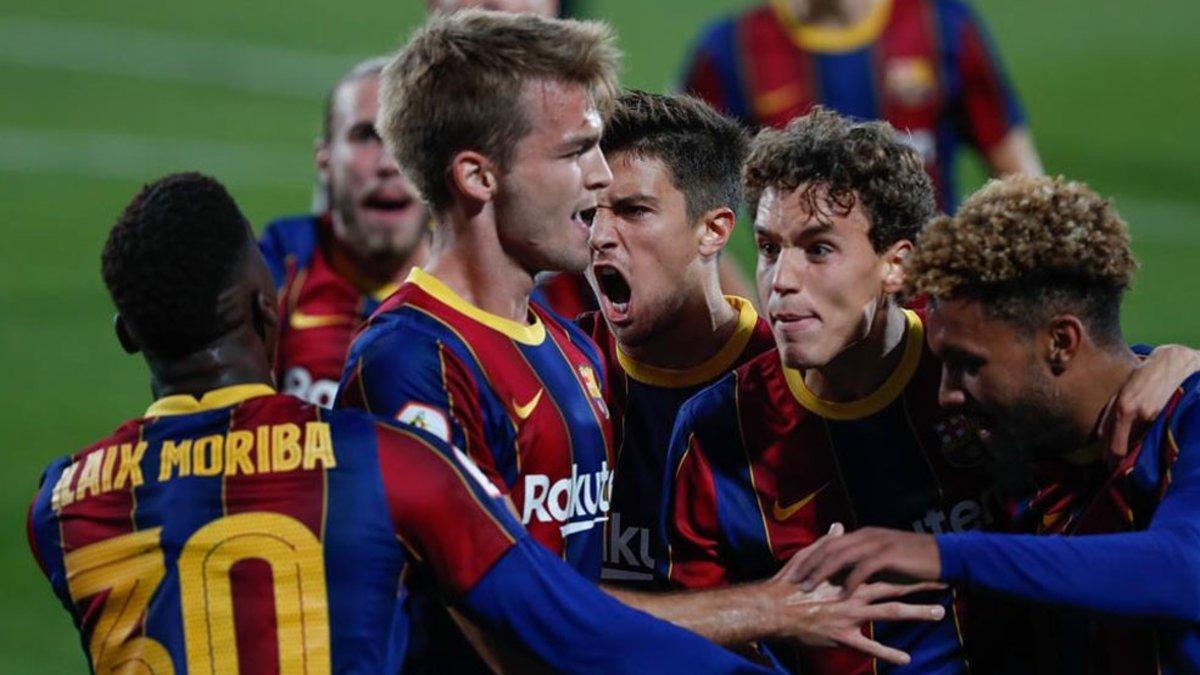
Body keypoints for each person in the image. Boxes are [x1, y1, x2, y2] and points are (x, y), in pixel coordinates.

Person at [24, 171, 834, 674]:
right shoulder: (390, 464)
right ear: (268, 302)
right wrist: (766, 615)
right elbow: (570, 624)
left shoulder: (58, 507)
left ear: (128, 334)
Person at [338, 12, 945, 672]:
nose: (599, 180)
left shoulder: (572, 355)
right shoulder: (410, 361)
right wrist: (771, 609)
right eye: (576, 153)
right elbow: (514, 628)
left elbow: (571, 600)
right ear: (479, 177)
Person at [658, 109, 1200, 673]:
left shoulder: (991, 371)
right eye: (768, 249)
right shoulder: (720, 427)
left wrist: (1176, 362)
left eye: (818, 249)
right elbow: (690, 637)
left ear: (897, 266)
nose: (781, 280)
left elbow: (1080, 372)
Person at [787, 175, 1200, 673]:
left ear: (1061, 343)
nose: (946, 394)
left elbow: (1184, 569)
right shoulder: (1022, 444)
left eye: (970, 364)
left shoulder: (1186, 418)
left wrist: (942, 553)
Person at [577, 90, 775, 587]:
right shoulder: (546, 370)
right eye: (587, 212)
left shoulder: (796, 378)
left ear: (712, 230)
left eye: (633, 210)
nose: (598, 235)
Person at [681, 0, 1042, 210]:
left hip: (932, 315)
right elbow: (684, 215)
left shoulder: (942, 25)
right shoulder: (729, 50)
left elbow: (1022, 180)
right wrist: (750, 321)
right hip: (808, 327)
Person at [259, 58, 430, 407]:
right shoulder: (279, 267)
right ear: (324, 161)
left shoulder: (483, 290)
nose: (389, 164)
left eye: (410, 135)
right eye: (366, 137)